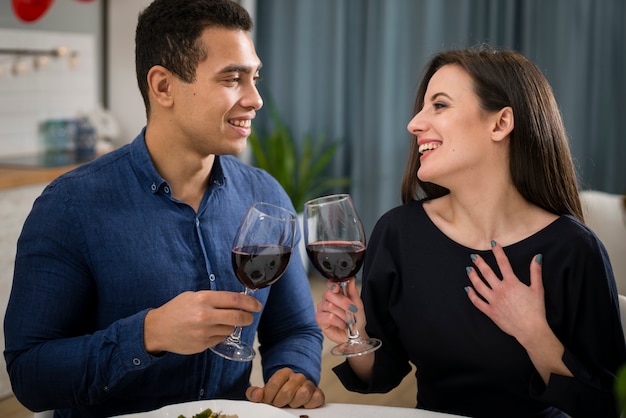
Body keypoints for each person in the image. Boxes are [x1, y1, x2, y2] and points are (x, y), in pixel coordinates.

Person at [3, 0, 324, 416]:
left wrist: (293, 373)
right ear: (163, 86)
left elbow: (295, 329)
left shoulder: (266, 196)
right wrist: (148, 334)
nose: (256, 99)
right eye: (232, 79)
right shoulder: (70, 206)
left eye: (254, 77)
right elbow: (30, 376)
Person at [316, 47, 626, 418]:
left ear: (500, 123)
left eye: (440, 105)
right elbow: (383, 373)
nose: (414, 123)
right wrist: (357, 336)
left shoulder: (575, 249)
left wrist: (533, 332)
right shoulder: (399, 233)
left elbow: (606, 405)